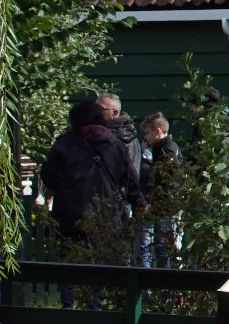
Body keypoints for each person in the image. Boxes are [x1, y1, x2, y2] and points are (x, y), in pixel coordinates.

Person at [40, 94, 139, 242]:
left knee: (71, 260)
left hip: (71, 218)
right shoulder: (116, 145)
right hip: (108, 215)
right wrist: (139, 205)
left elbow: (48, 177)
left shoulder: (64, 145)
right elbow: (131, 179)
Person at [137, 112, 180, 267]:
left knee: (163, 247)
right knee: (156, 246)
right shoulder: (158, 148)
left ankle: (166, 286)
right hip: (159, 204)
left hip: (166, 206)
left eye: (147, 133)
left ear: (157, 131)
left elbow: (170, 178)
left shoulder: (167, 149)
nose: (145, 137)